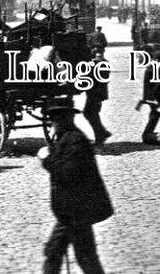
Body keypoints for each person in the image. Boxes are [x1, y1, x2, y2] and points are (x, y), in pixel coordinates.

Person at [38, 101, 113, 274]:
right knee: (59, 252)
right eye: (52, 119)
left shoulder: (74, 140)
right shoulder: (68, 137)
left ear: (67, 118)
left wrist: (45, 159)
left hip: (76, 211)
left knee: (80, 256)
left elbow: (67, 172)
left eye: (56, 119)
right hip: (72, 210)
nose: (53, 123)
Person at [137, 46, 160, 146]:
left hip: (151, 96)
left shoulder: (150, 68)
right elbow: (158, 84)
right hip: (157, 97)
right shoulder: (156, 69)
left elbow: (147, 85)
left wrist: (146, 99)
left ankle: (146, 134)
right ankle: (147, 135)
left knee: (156, 115)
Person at [82, 48, 111, 147]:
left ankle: (100, 136)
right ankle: (102, 132)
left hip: (96, 93)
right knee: (92, 113)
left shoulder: (99, 64)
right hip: (96, 93)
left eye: (96, 52)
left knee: (89, 113)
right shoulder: (102, 62)